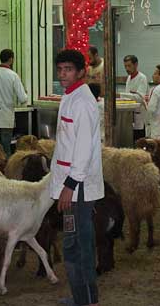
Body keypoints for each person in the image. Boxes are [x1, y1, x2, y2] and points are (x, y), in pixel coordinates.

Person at [51, 49, 103, 306]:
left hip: (78, 187)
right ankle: (84, 298)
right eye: (60, 69)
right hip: (72, 182)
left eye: (68, 70)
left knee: (77, 246)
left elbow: (82, 148)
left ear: (81, 71)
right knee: (77, 243)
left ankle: (86, 301)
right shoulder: (71, 96)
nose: (63, 74)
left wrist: (69, 186)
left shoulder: (82, 102)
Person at [121, 54, 148, 141]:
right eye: (125, 66)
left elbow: (140, 98)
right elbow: (129, 96)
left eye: (129, 66)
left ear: (136, 64)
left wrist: (121, 95)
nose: (127, 69)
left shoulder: (142, 78)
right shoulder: (129, 78)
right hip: (130, 116)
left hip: (139, 115)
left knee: (140, 141)